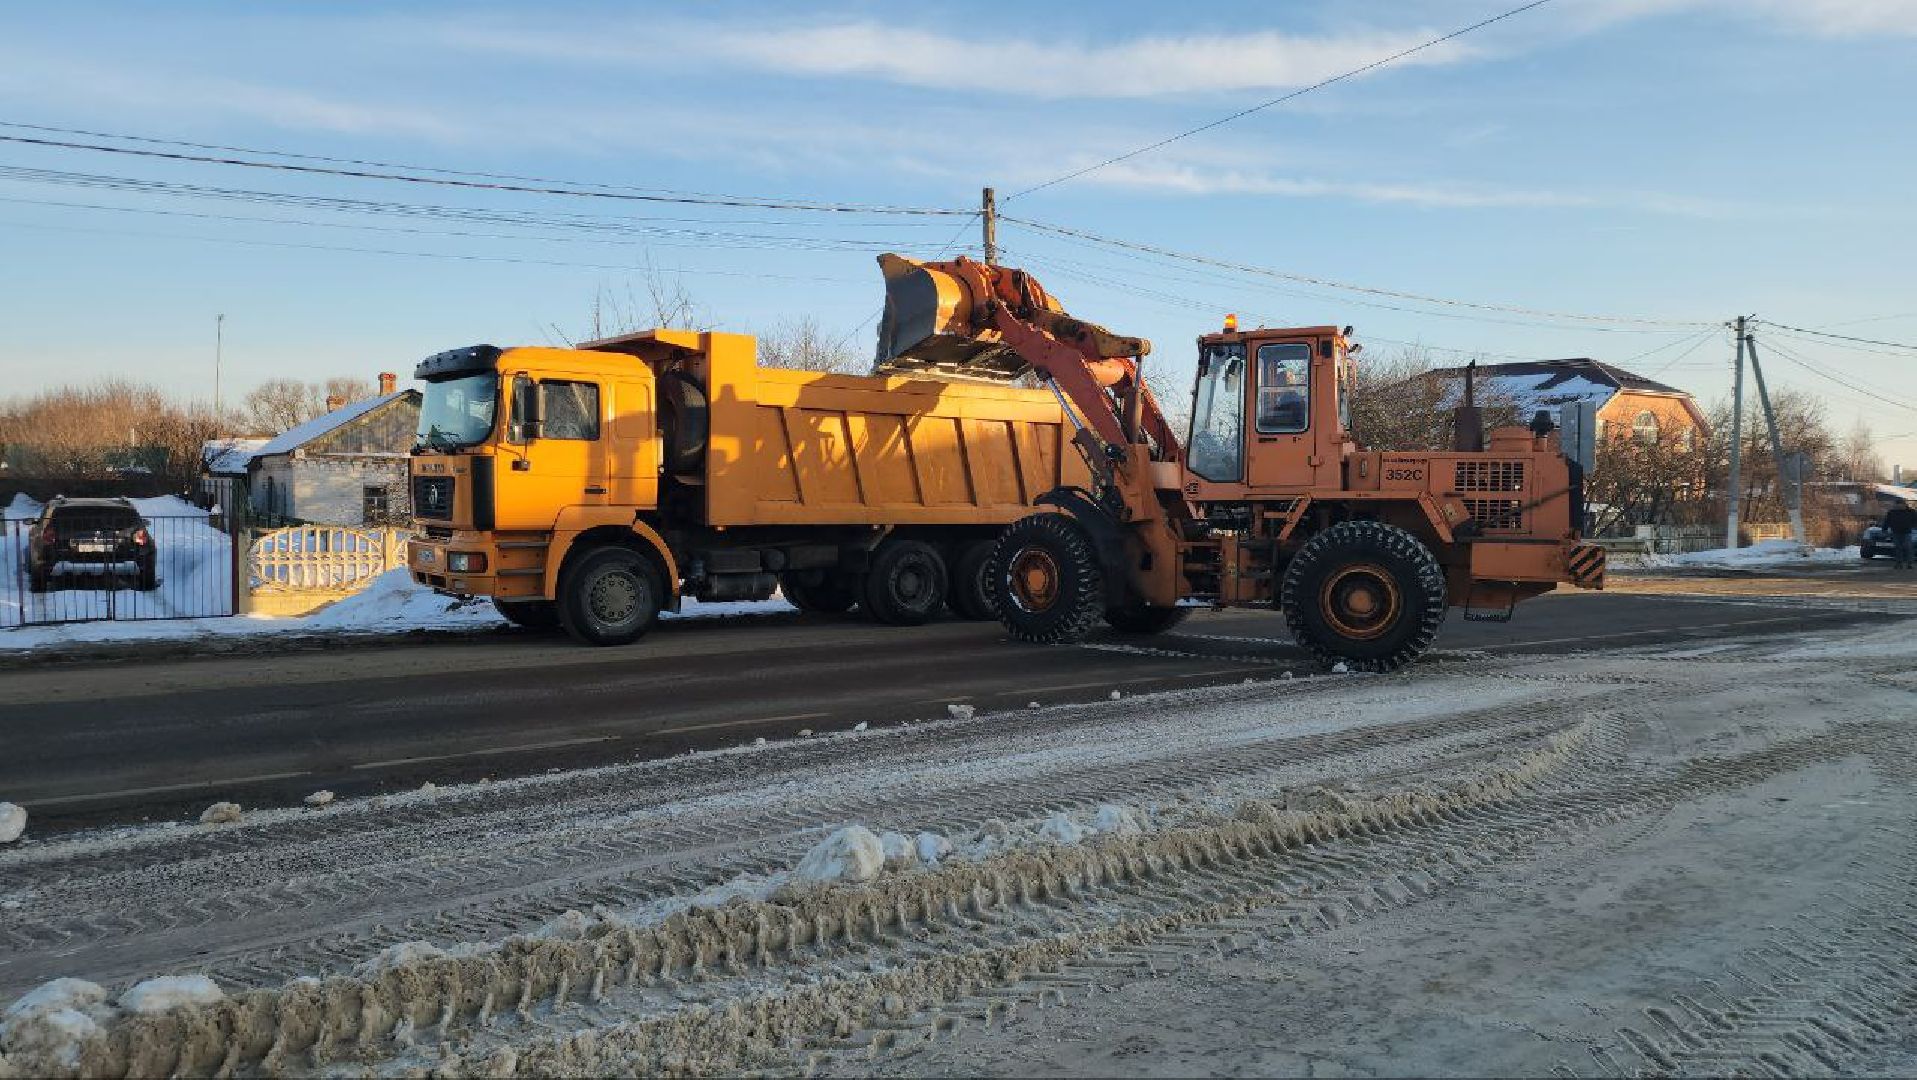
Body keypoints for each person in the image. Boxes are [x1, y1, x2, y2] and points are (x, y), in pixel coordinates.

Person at [1886, 499, 1917, 570]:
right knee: (1898, 548)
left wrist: (1912, 526)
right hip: (1896, 532)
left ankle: (1910, 563)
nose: (1899, 506)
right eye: (1897, 504)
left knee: (1908, 548)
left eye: (1901, 504)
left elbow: (1915, 520)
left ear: (1904, 504)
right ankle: (1898, 563)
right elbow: (1887, 521)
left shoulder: (1911, 512)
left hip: (1907, 532)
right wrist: (1884, 529)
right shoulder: (1891, 512)